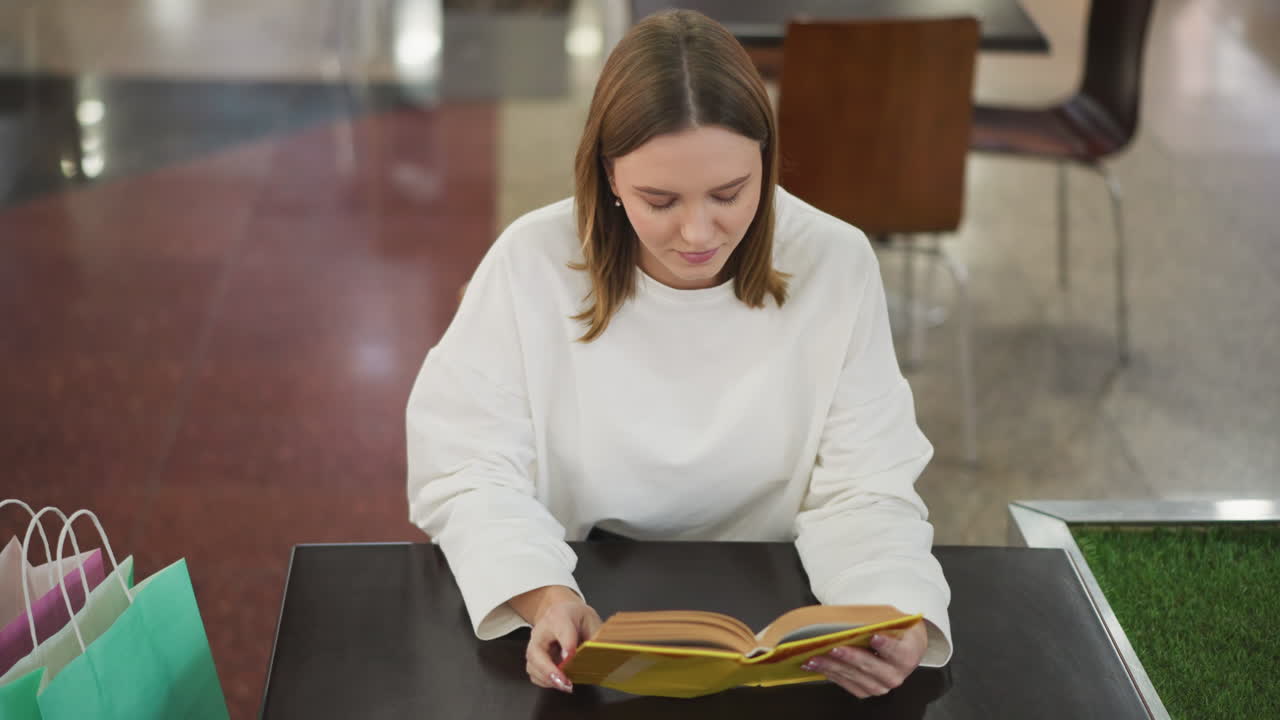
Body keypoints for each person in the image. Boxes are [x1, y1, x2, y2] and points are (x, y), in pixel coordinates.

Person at [406, 9, 951, 701]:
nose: (698, 234)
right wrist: (543, 596)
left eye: (730, 194)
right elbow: (467, 465)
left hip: (783, 598)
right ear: (608, 176)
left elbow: (865, 486)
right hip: (578, 587)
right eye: (659, 200)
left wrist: (892, 613)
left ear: (765, 161)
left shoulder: (834, 260)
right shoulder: (532, 259)